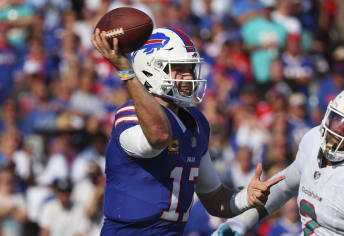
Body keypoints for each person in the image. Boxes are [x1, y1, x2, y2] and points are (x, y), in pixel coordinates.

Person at [91, 27, 285, 235]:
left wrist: (246, 197)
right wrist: (127, 73)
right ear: (150, 72)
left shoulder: (196, 122)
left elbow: (214, 198)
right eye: (179, 69)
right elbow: (158, 136)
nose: (188, 77)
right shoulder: (130, 115)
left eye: (190, 69)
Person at [213, 84, 344, 236]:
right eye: (337, 119)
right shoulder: (313, 140)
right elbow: (285, 185)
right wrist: (241, 221)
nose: (337, 131)